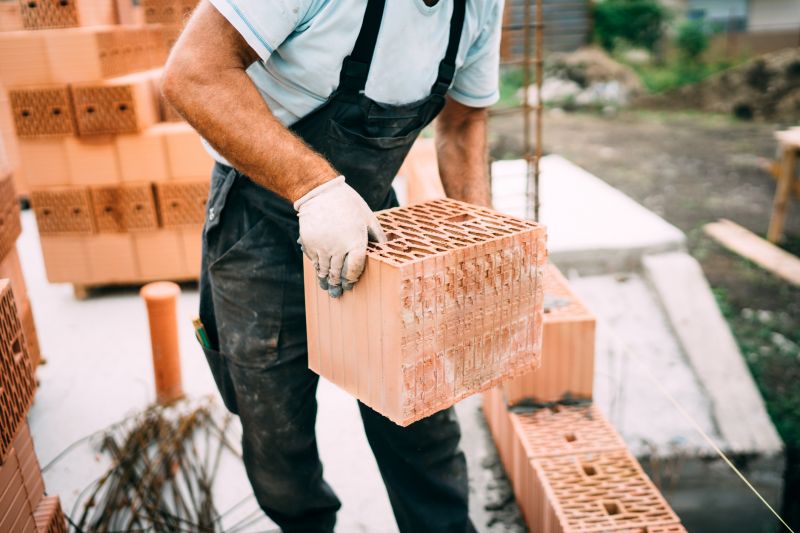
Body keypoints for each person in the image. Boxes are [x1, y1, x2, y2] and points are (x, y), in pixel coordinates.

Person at [161, 0, 503, 530]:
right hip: (261, 222)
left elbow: (463, 124)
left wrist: (477, 251)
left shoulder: (481, 6)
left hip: (373, 224)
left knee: (420, 415)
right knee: (276, 432)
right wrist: (314, 188)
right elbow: (194, 74)